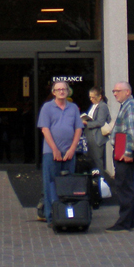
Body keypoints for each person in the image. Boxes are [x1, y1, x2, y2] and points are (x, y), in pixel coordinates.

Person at [36, 81, 83, 226]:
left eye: (64, 89)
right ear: (54, 92)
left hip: (69, 152)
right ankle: (52, 216)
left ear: (68, 92)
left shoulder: (73, 108)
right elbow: (45, 129)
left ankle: (67, 214)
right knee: (50, 183)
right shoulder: (47, 107)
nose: (61, 91)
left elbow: (78, 129)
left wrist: (72, 149)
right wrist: (55, 149)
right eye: (58, 89)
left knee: (69, 184)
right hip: (51, 152)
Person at [107, 81, 134, 232]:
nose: (114, 93)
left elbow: (130, 131)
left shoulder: (131, 107)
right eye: (114, 90)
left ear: (127, 92)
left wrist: (128, 153)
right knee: (127, 186)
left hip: (124, 153)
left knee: (124, 187)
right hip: (122, 150)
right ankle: (130, 222)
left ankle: (124, 223)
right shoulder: (127, 106)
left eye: (117, 91)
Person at [80, 87, 110, 177]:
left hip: (97, 137)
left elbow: (100, 122)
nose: (91, 99)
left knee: (97, 161)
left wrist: (87, 123)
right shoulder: (94, 106)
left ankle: (101, 180)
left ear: (99, 97)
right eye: (90, 97)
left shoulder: (102, 106)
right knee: (91, 160)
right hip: (90, 136)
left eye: (93, 97)